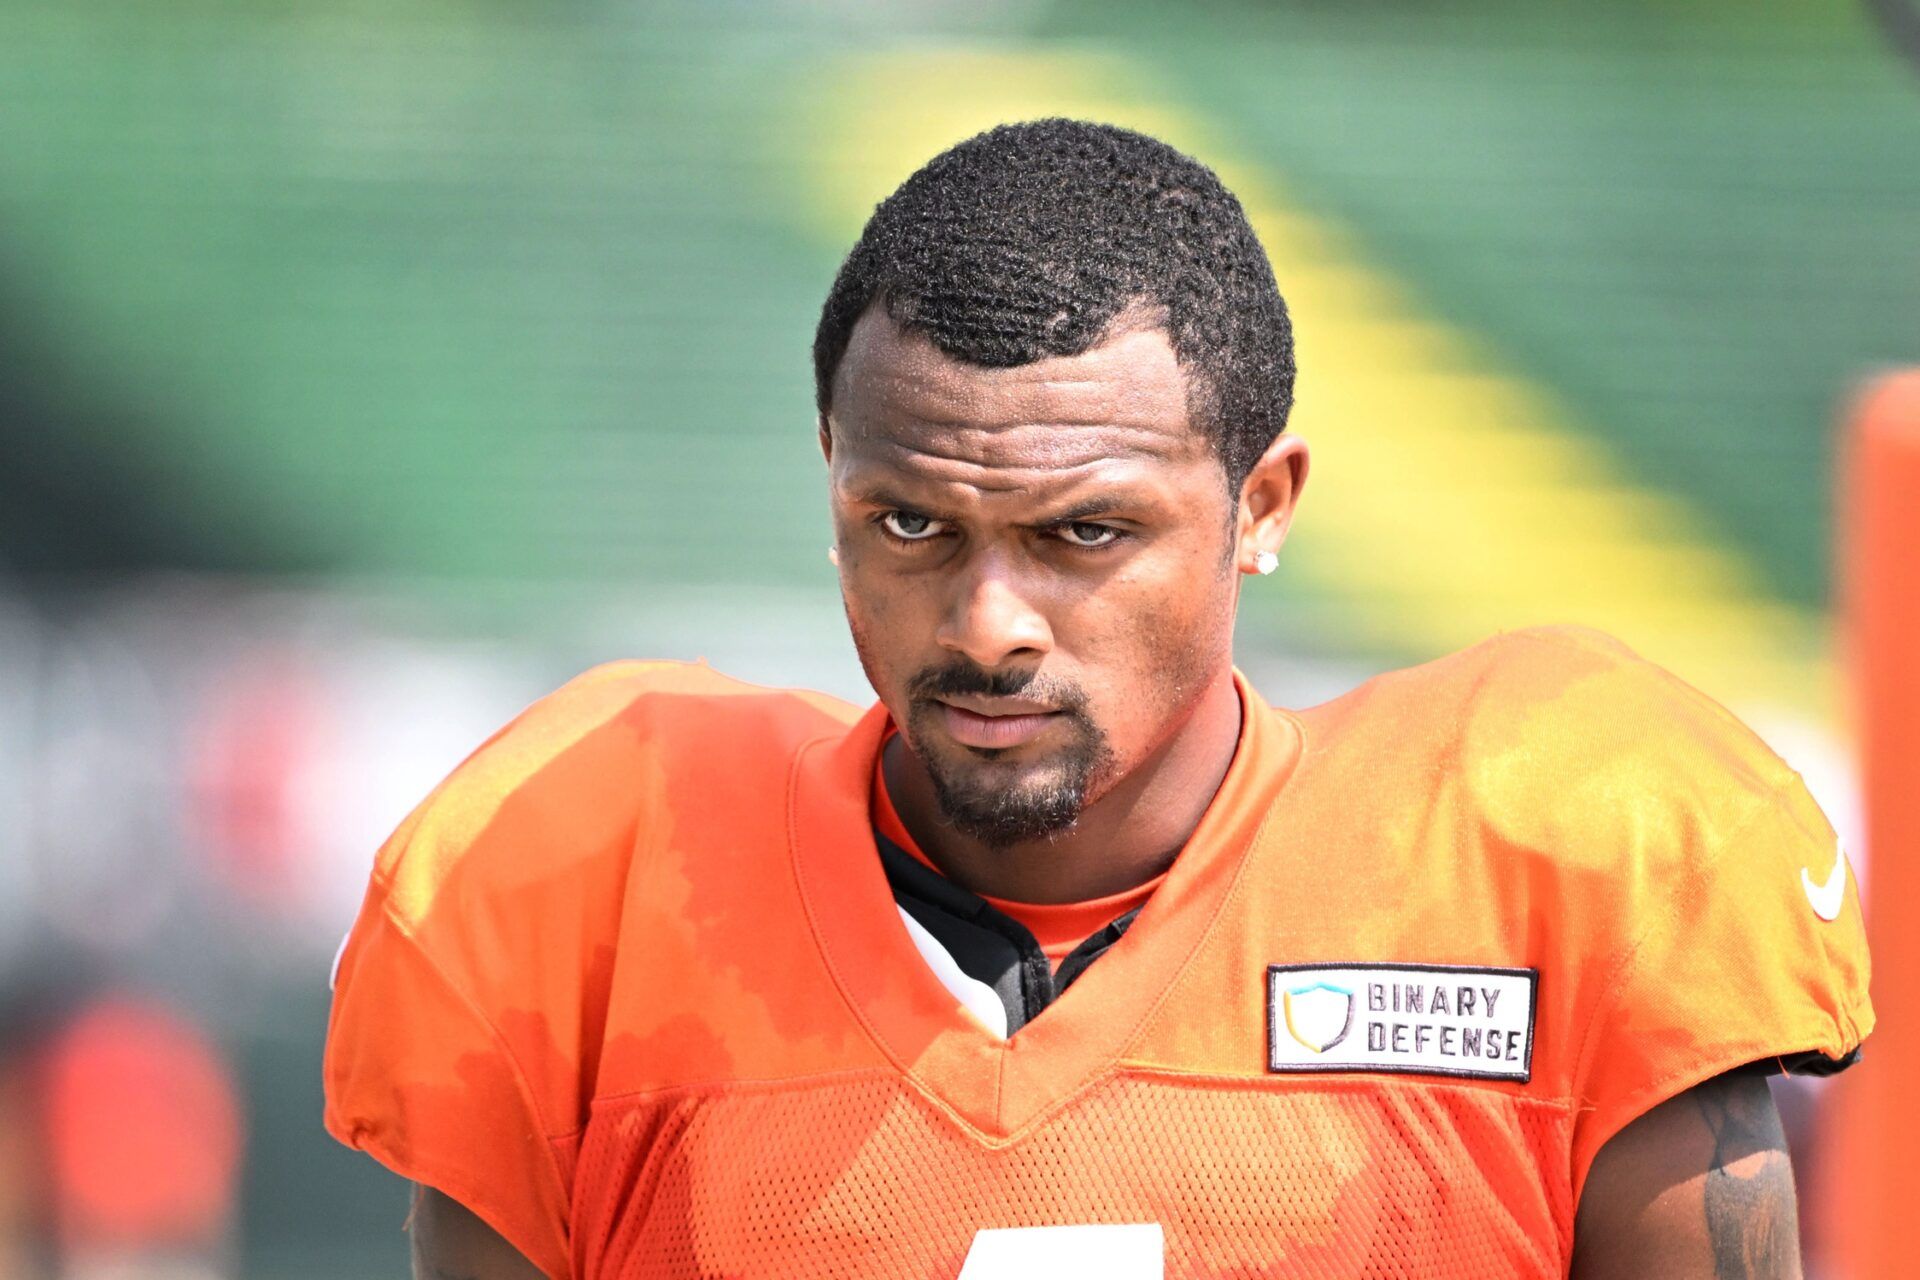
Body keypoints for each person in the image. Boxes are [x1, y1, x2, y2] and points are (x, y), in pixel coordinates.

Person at [323, 119, 1872, 1280]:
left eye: (1085, 534)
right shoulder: (585, 879)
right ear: (835, 480)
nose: (990, 626)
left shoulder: (1557, 855)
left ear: (1260, 507)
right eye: (912, 525)